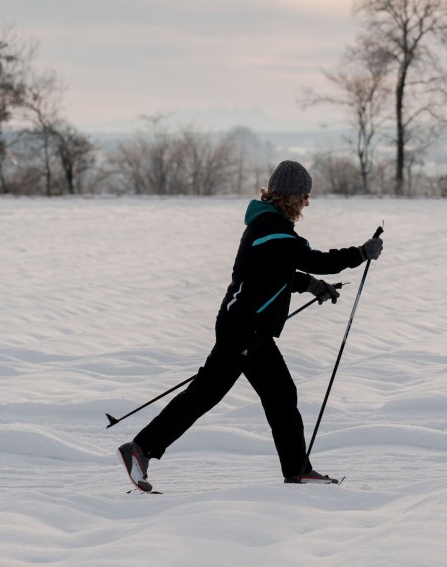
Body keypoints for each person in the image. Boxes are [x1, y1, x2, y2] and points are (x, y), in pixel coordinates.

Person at [118, 160, 383, 490]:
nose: (307, 202)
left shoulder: (269, 227)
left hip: (251, 331)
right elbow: (316, 260)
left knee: (282, 395)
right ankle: (140, 450)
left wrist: (312, 286)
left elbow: (277, 272)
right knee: (204, 395)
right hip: (242, 329)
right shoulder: (273, 229)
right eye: (304, 194)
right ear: (289, 196)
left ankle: (298, 470)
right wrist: (359, 253)